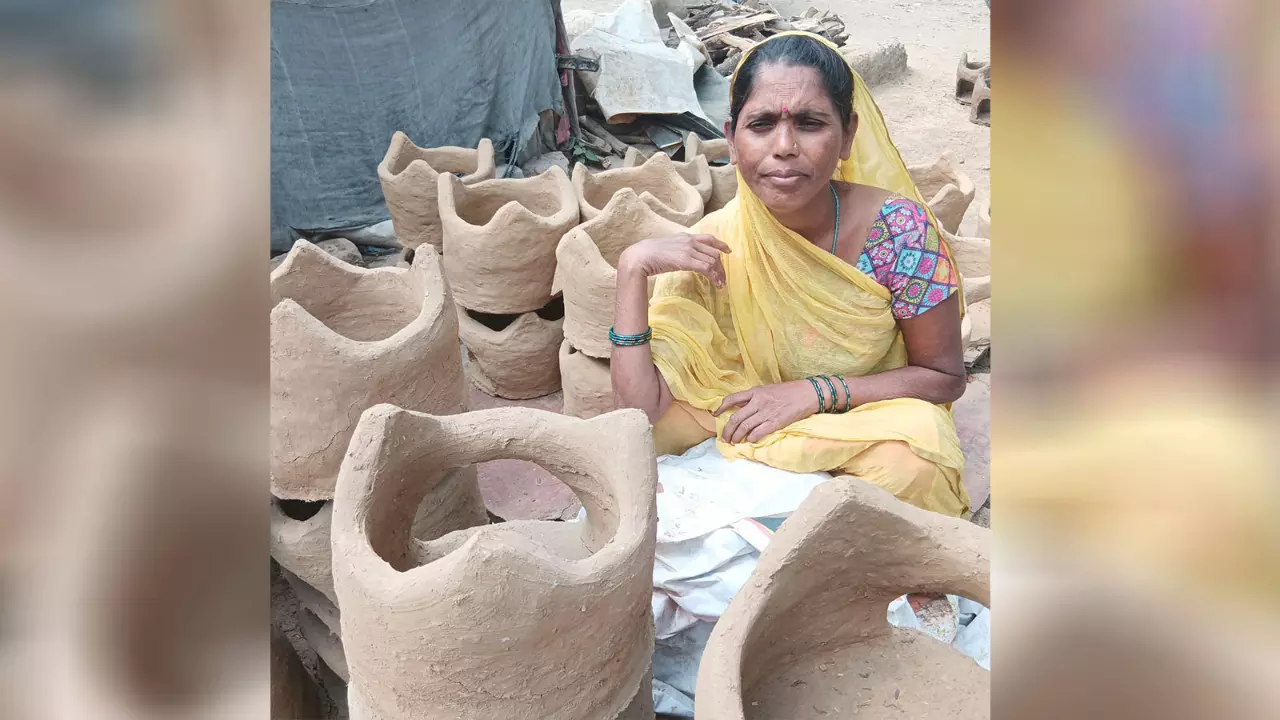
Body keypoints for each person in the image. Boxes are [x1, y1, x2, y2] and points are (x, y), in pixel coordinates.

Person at [610, 32, 971, 517]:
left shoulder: (898, 229)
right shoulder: (716, 241)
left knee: (916, 461)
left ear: (846, 136)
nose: (784, 147)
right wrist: (631, 270)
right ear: (733, 140)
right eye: (760, 125)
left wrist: (812, 393)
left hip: (860, 414)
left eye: (810, 123)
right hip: (751, 408)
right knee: (646, 440)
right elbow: (640, 410)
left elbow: (943, 377)